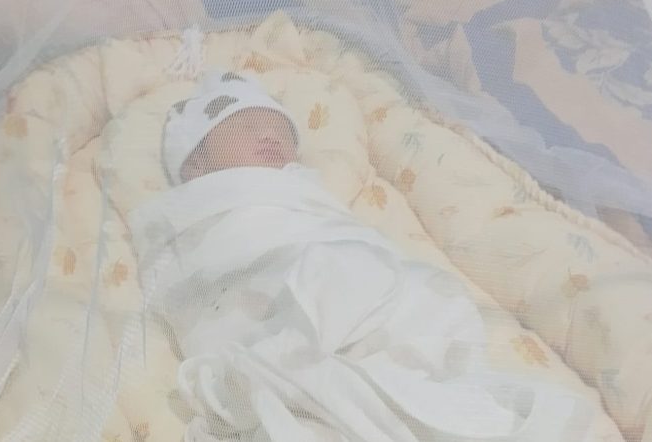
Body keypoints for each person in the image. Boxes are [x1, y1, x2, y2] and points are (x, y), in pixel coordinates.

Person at [128, 71, 598, 441]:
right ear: (196, 161)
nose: (271, 135)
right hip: (282, 301)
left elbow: (336, 235)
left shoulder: (304, 191)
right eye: (247, 126)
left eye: (281, 128)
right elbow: (204, 274)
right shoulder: (198, 211)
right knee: (330, 284)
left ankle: (371, 373)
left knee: (382, 285)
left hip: (356, 295)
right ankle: (318, 369)